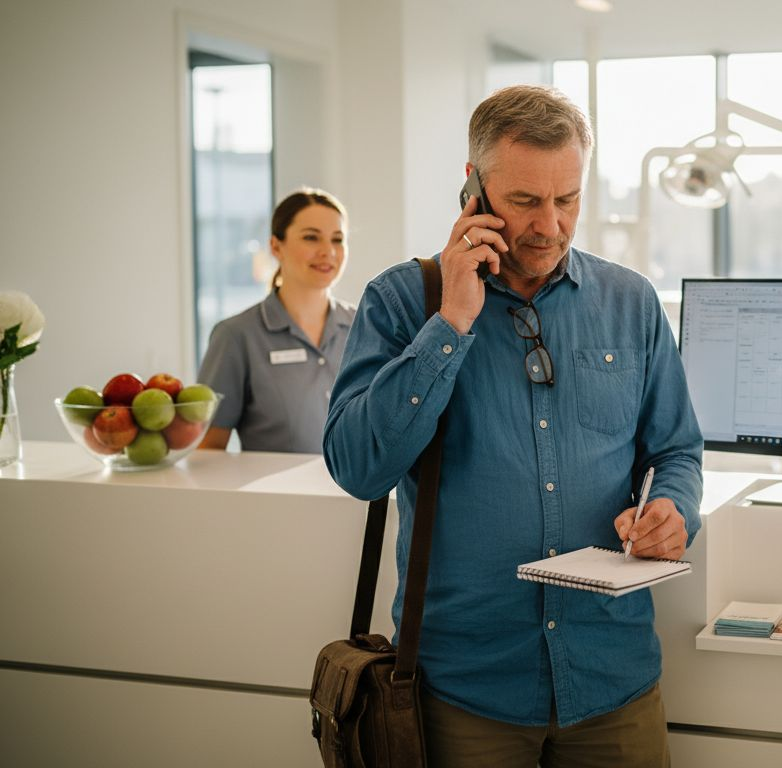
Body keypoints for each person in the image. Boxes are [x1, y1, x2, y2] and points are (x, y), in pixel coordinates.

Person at [324, 85, 703, 767]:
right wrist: (451, 326)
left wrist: (675, 509)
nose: (551, 226)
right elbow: (358, 469)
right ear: (472, 191)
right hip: (466, 691)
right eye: (526, 201)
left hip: (612, 680)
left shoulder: (631, 302)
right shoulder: (401, 301)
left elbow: (674, 449)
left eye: (568, 200)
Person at [197, 188, 355, 453]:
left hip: (356, 495)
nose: (328, 251)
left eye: (337, 239)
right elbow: (208, 449)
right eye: (311, 238)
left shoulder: (365, 327)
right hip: (276, 495)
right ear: (276, 246)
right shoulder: (236, 336)